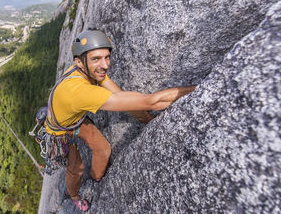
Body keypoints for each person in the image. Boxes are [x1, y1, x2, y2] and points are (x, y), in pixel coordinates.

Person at [44, 30, 196, 212]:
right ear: (79, 62)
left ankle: (95, 180)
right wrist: (203, 87)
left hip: (74, 119)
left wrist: (148, 121)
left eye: (107, 57)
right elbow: (151, 101)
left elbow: (122, 98)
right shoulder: (80, 92)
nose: (105, 65)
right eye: (96, 59)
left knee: (103, 149)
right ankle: (75, 195)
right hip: (59, 133)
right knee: (76, 169)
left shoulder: (89, 71)